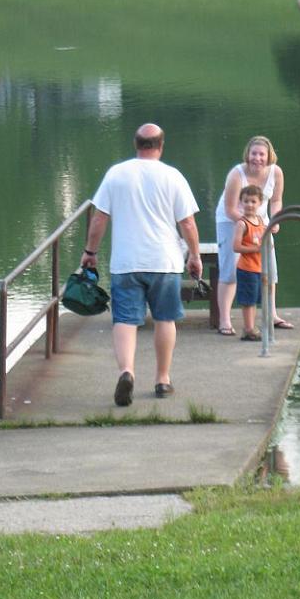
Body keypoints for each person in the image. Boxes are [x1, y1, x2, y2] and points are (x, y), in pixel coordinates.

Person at [81, 123, 202, 406]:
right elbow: (187, 222)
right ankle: (162, 379)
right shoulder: (173, 176)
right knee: (165, 318)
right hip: (165, 261)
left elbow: (99, 218)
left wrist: (90, 252)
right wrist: (194, 256)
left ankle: (127, 371)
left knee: (124, 320)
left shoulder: (117, 174)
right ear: (161, 145)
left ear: (135, 144)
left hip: (126, 262)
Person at [214, 135, 293, 336]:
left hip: (260, 219)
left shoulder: (276, 172)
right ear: (247, 155)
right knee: (231, 267)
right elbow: (230, 208)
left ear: (269, 157)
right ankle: (224, 320)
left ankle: (271, 314)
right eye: (254, 153)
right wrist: (248, 226)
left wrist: (274, 221)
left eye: (261, 154)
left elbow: (275, 201)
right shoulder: (236, 174)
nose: (257, 158)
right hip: (232, 219)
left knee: (269, 266)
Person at [232, 185, 266, 341]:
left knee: (255, 300)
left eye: (253, 201)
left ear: (260, 203)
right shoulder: (242, 224)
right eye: (246, 201)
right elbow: (236, 246)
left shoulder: (260, 221)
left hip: (259, 268)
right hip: (246, 268)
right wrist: (255, 248)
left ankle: (251, 328)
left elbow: (263, 240)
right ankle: (248, 329)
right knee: (247, 301)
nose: (249, 205)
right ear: (241, 203)